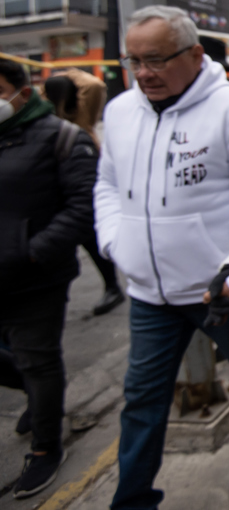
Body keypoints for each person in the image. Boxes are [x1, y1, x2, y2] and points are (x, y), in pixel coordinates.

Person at [94, 6, 229, 509]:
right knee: (142, 400)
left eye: (156, 60)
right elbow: (106, 185)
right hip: (149, 294)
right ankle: (133, 499)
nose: (144, 73)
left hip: (220, 289)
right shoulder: (121, 111)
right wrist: (113, 243)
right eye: (134, 62)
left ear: (193, 55)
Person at [0, 59, 98, 498]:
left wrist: (30, 253)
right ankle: (38, 395)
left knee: (40, 360)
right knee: (29, 368)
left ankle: (45, 449)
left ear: (22, 90)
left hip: (35, 278)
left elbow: (82, 208)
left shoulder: (62, 138)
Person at [44, 72, 125, 315]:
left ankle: (112, 286)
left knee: (89, 233)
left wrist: (62, 72)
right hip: (55, 176)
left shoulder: (79, 114)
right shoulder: (43, 114)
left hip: (83, 173)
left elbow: (94, 84)